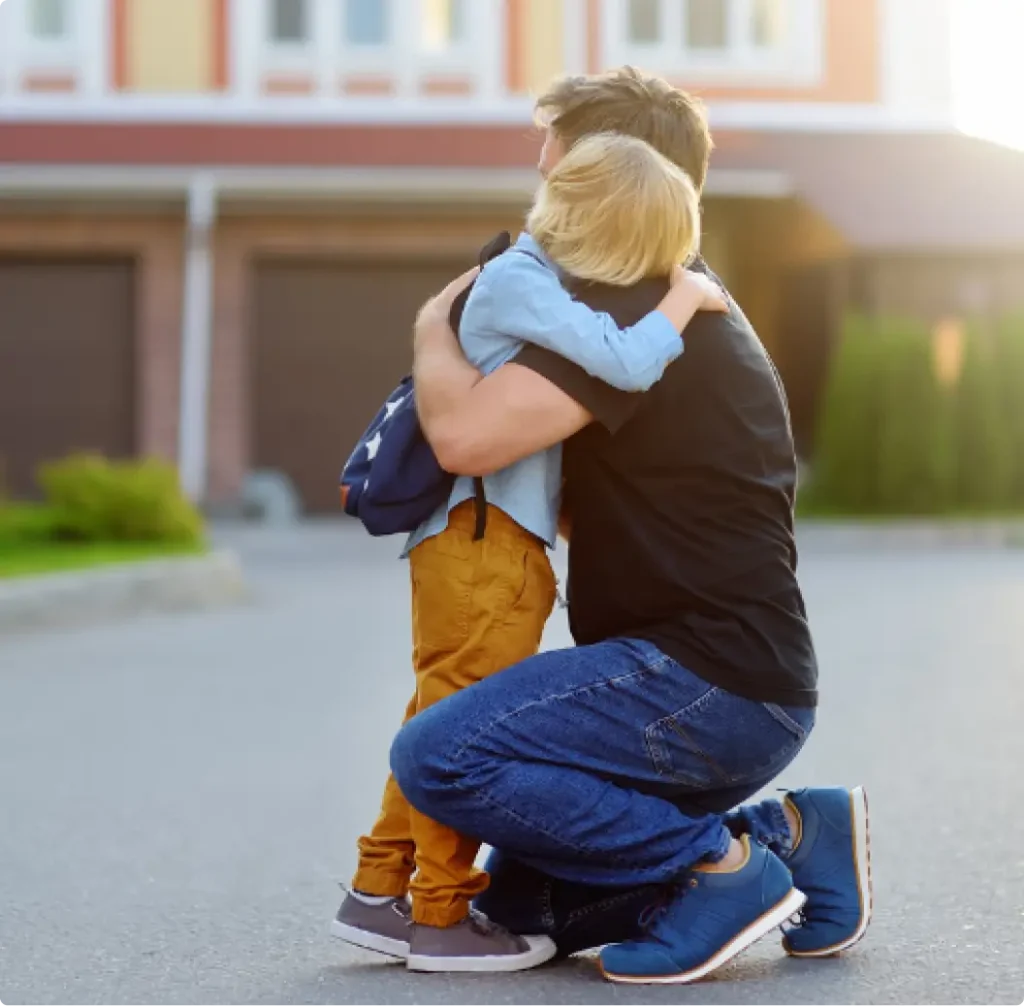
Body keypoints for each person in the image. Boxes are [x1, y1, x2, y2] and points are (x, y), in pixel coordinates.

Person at [388, 67, 872, 985]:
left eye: (557, 151)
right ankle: (794, 835)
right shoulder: (667, 298)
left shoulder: (629, 306)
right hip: (724, 687)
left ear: (615, 169)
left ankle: (719, 868)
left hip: (700, 684)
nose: (540, 168)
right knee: (527, 907)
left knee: (440, 756)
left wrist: (431, 323)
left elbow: (463, 435)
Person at [333, 130, 729, 973]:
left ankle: (378, 890)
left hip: (485, 543)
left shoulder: (522, 280)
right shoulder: (522, 280)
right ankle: (438, 913)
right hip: (484, 545)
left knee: (435, 715)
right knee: (457, 734)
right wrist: (684, 301)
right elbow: (625, 361)